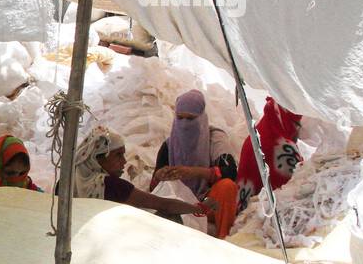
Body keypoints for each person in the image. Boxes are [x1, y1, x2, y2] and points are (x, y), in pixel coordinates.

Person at [148, 89, 240, 238]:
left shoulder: (214, 138)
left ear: (201, 118)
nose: (184, 125)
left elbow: (231, 171)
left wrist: (194, 172)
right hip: (180, 203)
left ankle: (223, 237)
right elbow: (155, 186)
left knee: (227, 186)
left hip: (208, 202)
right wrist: (160, 175)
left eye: (190, 119)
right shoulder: (170, 145)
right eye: (180, 118)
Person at [73, 125, 214, 222]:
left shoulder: (67, 182)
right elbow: (163, 205)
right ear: (97, 158)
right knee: (169, 217)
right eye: (117, 155)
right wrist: (199, 208)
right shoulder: (110, 185)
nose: (124, 161)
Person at [236, 97, 304, 211]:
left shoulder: (255, 134)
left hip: (240, 205)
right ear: (285, 120)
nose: (297, 129)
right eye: (296, 124)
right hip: (262, 213)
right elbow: (300, 180)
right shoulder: (283, 146)